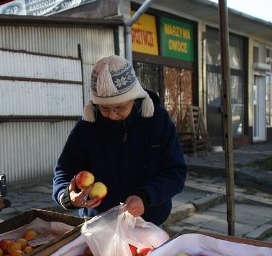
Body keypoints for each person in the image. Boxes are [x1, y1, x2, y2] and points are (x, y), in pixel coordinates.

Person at [52, 55, 187, 226]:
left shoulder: (157, 120)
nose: (113, 115)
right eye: (104, 109)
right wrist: (67, 197)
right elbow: (64, 170)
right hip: (98, 222)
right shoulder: (87, 125)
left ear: (135, 98)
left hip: (147, 221)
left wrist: (146, 197)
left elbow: (175, 172)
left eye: (120, 107)